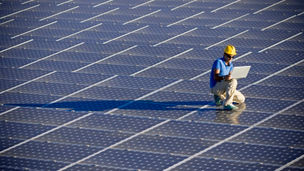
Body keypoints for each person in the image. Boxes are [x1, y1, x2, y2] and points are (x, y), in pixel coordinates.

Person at [210, 45, 245, 110]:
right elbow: (216, 77)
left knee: (241, 99)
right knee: (233, 81)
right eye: (229, 56)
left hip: (225, 87)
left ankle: (219, 97)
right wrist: (224, 78)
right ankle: (227, 104)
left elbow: (229, 77)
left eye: (233, 57)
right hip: (216, 87)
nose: (230, 58)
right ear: (224, 55)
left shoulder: (231, 64)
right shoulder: (218, 62)